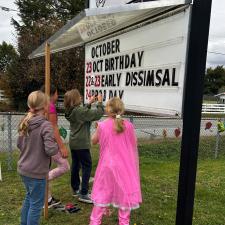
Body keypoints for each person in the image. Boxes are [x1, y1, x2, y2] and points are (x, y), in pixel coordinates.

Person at [89, 97, 142, 225]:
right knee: (124, 198)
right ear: (121, 110)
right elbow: (134, 143)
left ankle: (95, 222)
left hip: (107, 165)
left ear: (108, 110)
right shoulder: (129, 126)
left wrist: (98, 129)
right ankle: (123, 222)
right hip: (124, 166)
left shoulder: (102, 125)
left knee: (102, 193)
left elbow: (94, 141)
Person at [17, 91, 59, 225]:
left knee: (30, 198)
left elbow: (19, 144)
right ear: (45, 105)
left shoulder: (26, 121)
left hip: (24, 170)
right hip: (36, 173)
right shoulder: (45, 125)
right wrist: (57, 145)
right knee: (36, 205)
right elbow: (50, 149)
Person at [64, 89, 104, 204]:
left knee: (76, 165)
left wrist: (89, 103)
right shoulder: (79, 111)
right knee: (87, 165)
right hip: (82, 143)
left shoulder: (71, 111)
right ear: (74, 99)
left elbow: (82, 114)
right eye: (79, 96)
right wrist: (99, 103)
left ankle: (76, 188)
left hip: (74, 142)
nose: (81, 97)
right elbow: (97, 114)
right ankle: (84, 193)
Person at [41, 84, 70, 208]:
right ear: (52, 94)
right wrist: (62, 146)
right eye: (57, 93)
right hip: (50, 143)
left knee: (46, 168)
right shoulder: (50, 107)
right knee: (64, 166)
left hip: (43, 142)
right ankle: (44, 180)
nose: (58, 96)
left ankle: (47, 199)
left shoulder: (40, 106)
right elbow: (54, 128)